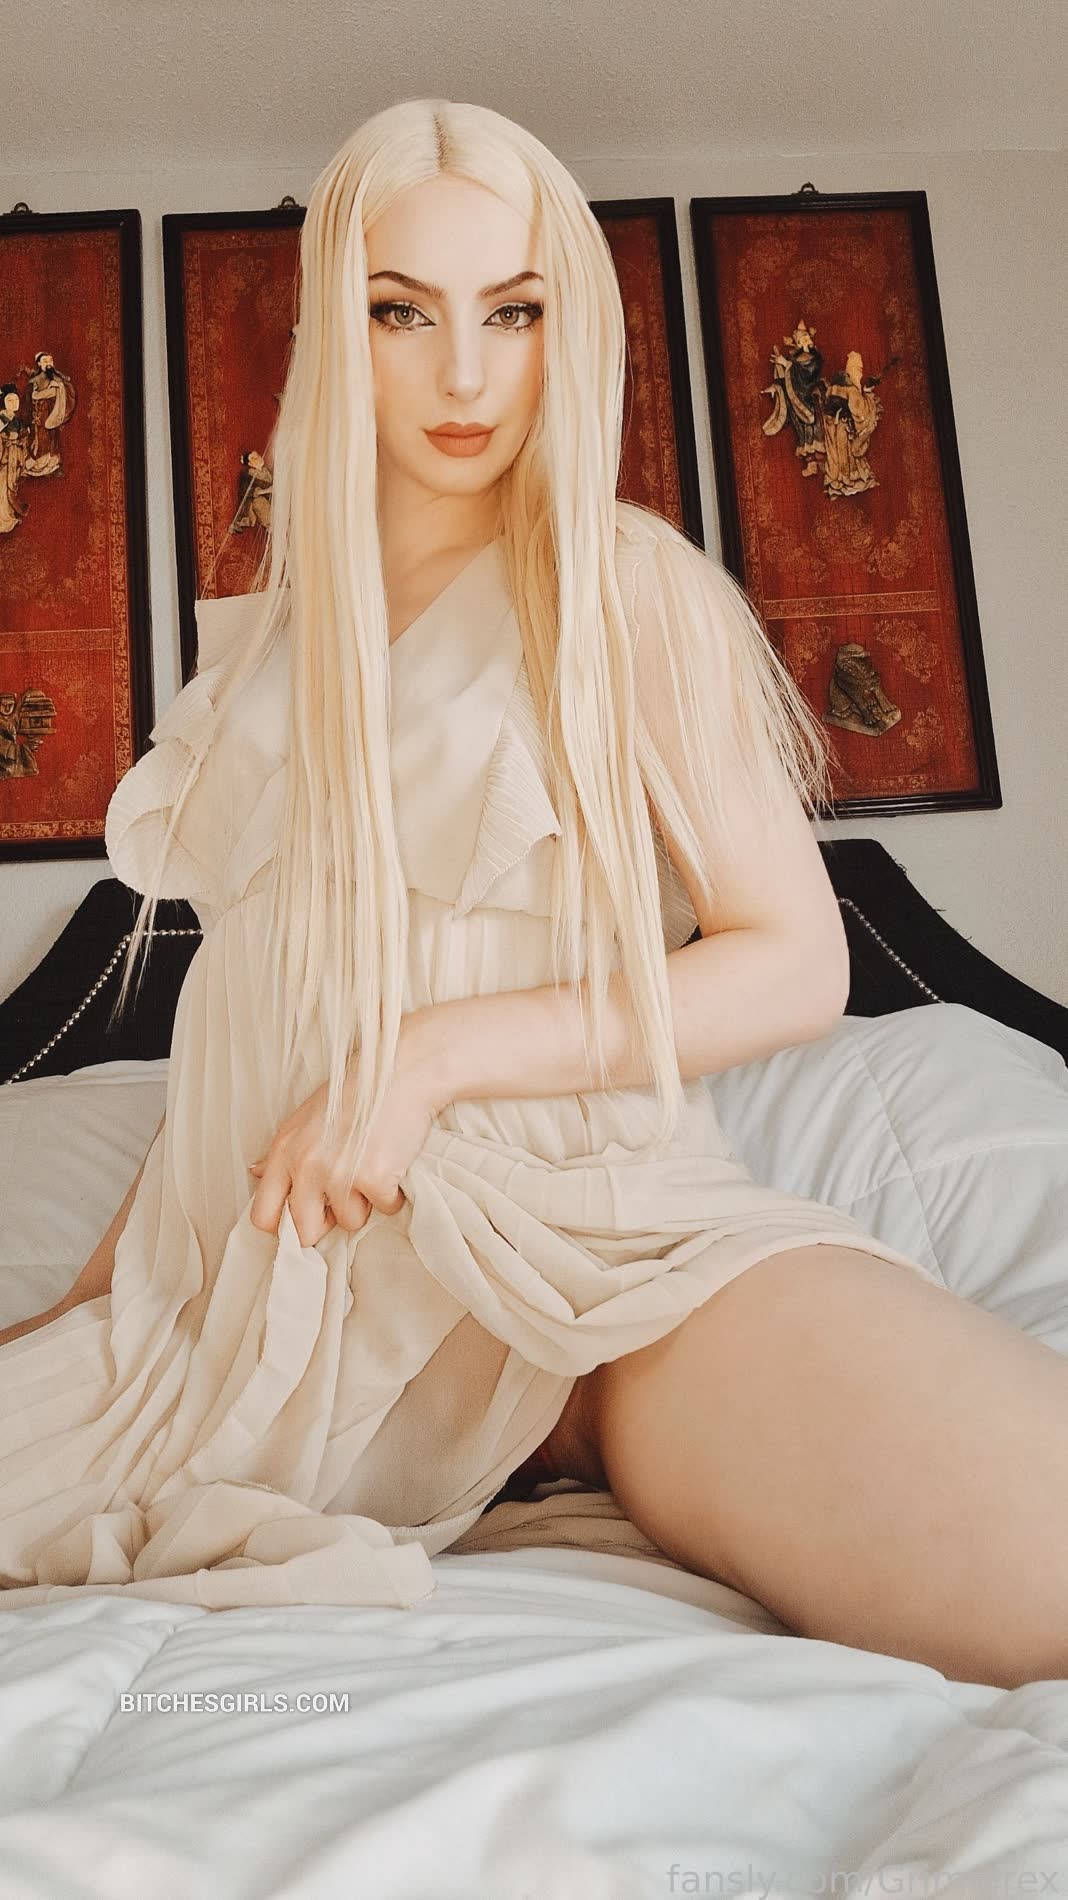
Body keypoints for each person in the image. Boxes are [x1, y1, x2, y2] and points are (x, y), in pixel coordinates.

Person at [0, 99, 1066, 1690]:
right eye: (402, 313)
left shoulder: (621, 586)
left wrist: (427, 1061)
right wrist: (90, 1322)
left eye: (512, 312)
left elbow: (795, 964)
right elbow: (234, 1082)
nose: (464, 374)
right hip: (285, 1339)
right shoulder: (258, 681)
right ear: (333, 331)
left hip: (612, 1266)